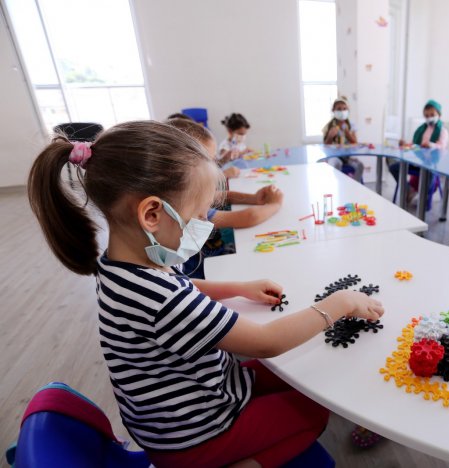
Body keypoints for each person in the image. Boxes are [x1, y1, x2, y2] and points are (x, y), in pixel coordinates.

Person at [27, 120, 384, 468]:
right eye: (198, 214)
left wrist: (238, 288)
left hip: (174, 417)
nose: (204, 222)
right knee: (314, 409)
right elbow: (265, 342)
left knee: (301, 376)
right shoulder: (162, 299)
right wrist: (342, 302)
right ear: (152, 213)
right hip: (194, 438)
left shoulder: (121, 264)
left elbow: (181, 286)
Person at [166, 118, 284, 278]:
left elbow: (224, 195)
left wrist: (254, 198)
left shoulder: (193, 195)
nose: (214, 170)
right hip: (201, 272)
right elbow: (247, 217)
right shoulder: (186, 206)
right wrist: (275, 204)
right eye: (207, 164)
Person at [389, 99, 449, 203]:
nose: (429, 117)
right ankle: (408, 189)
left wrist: (430, 145)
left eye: (432, 114)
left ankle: (424, 196)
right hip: (417, 162)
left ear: (439, 114)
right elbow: (414, 145)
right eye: (426, 116)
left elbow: (442, 147)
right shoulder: (422, 129)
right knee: (394, 167)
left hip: (432, 164)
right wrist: (406, 144)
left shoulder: (443, 131)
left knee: (429, 174)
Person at [323, 97, 364, 183]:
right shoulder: (329, 126)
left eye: (344, 109)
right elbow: (325, 146)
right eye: (339, 109)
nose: (342, 111)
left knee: (360, 165)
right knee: (336, 164)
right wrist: (330, 136)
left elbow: (355, 143)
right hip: (334, 156)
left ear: (348, 110)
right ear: (333, 110)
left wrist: (347, 133)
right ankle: (338, 186)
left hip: (348, 156)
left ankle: (354, 185)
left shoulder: (350, 125)